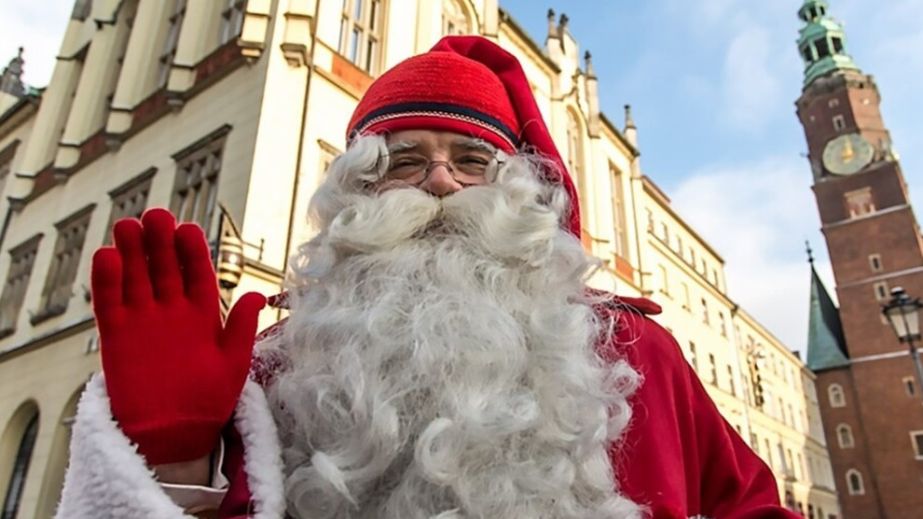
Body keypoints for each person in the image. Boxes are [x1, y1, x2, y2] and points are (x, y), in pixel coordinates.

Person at [55, 36, 798, 519]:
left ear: (516, 193)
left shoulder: (630, 351)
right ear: (354, 194)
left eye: (471, 161)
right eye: (403, 161)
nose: (440, 180)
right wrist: (178, 463)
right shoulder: (276, 367)